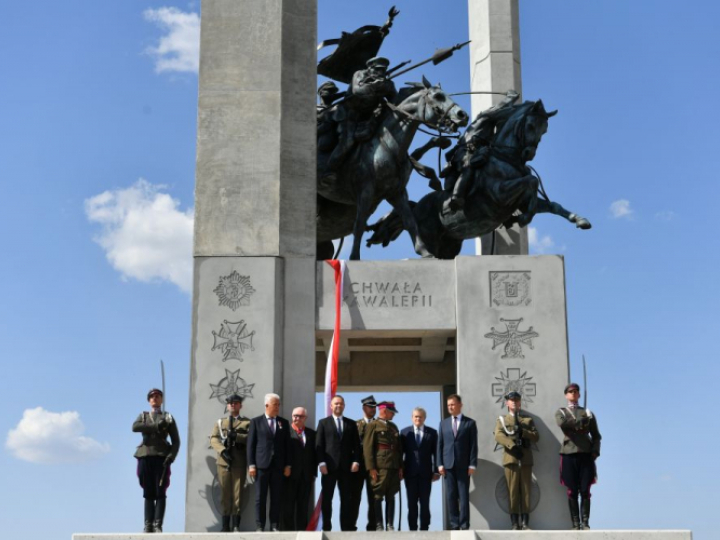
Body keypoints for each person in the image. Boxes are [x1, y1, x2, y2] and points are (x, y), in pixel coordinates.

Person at [321, 57, 397, 185]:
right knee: (348, 141)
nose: (380, 73)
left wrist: (386, 89)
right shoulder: (360, 74)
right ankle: (329, 172)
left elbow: (394, 100)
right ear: (370, 68)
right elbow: (358, 91)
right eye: (378, 69)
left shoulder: (387, 83)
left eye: (383, 70)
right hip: (349, 115)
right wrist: (374, 86)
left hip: (368, 117)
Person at [441, 90, 520, 211]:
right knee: (469, 166)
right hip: (465, 152)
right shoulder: (485, 116)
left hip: (478, 150)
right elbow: (499, 108)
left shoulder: (490, 124)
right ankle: (457, 197)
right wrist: (510, 99)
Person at [132, 388, 180, 533]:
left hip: (161, 456)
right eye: (152, 397)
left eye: (158, 396)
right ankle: (148, 524)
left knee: (160, 491)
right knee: (148, 491)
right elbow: (135, 427)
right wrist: (156, 426)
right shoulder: (143, 416)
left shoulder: (168, 417)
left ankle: (157, 524)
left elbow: (176, 441)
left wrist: (171, 457)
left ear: (162, 399)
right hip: (145, 455)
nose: (155, 399)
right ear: (149, 400)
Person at [555, 383, 601, 530]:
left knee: (585, 490)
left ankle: (585, 522)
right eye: (570, 391)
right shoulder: (561, 411)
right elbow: (562, 424)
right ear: (566, 395)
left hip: (585, 454)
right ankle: (575, 523)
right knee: (571, 490)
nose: (573, 393)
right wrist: (578, 422)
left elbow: (596, 436)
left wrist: (594, 452)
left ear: (579, 395)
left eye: (576, 391)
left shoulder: (588, 413)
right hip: (569, 453)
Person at [494, 391, 539, 530]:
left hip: (525, 458)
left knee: (526, 491)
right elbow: (498, 435)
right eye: (511, 400)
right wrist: (512, 446)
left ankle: (525, 522)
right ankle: (514, 522)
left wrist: (524, 432)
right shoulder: (502, 420)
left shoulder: (527, 420)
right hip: (511, 458)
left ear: (520, 402)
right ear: (507, 403)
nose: (514, 402)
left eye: (517, 400)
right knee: (512, 491)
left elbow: (536, 436)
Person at [315, 394, 361, 531]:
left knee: (346, 499)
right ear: (331, 406)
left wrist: (356, 461)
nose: (338, 406)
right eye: (336, 403)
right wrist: (321, 463)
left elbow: (357, 446)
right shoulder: (323, 423)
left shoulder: (351, 424)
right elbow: (319, 445)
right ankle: (327, 526)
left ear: (344, 406)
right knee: (327, 499)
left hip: (347, 468)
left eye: (341, 404)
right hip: (328, 468)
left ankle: (345, 527)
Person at [247, 393, 291, 532]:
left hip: (278, 466)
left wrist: (288, 464)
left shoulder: (283, 423)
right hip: (261, 466)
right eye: (275, 404)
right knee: (260, 497)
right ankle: (260, 525)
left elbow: (287, 446)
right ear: (267, 405)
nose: (277, 407)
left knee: (276, 497)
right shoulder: (256, 422)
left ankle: (274, 525)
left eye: (278, 404)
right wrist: (251, 465)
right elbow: (251, 445)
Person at [210, 394, 251, 532]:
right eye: (230, 403)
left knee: (238, 494)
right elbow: (214, 439)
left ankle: (236, 525)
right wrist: (222, 451)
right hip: (224, 462)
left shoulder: (247, 423)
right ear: (227, 405)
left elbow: (251, 438)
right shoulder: (220, 423)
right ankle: (225, 525)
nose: (233, 405)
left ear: (240, 405)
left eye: (236, 403)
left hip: (239, 461)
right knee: (225, 494)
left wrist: (237, 436)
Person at [437, 394, 478, 530]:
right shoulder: (443, 424)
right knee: (451, 496)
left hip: (464, 466)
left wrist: (472, 464)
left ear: (460, 405)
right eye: (448, 405)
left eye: (453, 404)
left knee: (463, 495)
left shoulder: (470, 423)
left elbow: (473, 445)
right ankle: (454, 524)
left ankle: (464, 524)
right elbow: (440, 445)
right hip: (448, 465)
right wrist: (439, 464)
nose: (450, 407)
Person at [364, 401, 403, 531]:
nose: (393, 415)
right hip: (379, 466)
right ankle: (379, 524)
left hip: (393, 465)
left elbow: (398, 448)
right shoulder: (373, 425)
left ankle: (390, 524)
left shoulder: (394, 426)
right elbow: (368, 448)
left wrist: (400, 466)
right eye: (392, 412)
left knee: (391, 495)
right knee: (378, 495)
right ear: (384, 411)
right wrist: (371, 468)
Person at [401, 407, 439, 531]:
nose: (418, 418)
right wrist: (400, 469)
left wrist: (436, 471)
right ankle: (412, 528)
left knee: (425, 503)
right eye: (416, 416)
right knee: (411, 503)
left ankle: (424, 528)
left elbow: (436, 453)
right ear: (412, 418)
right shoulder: (405, 432)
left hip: (426, 474)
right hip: (410, 473)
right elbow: (400, 453)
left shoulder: (432, 433)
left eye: (420, 416)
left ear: (424, 418)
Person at [283, 406, 317, 531]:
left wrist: (313, 473)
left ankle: (302, 531)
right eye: (294, 416)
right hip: (290, 475)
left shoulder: (312, 434)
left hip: (306, 476)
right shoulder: (286, 432)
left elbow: (314, 455)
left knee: (303, 506)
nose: (297, 418)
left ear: (305, 418)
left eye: (300, 416)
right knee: (288, 505)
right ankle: (288, 531)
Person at [352, 395, 378, 530]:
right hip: (358, 466)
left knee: (373, 498)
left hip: (374, 467)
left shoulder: (379, 424)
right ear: (364, 408)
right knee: (355, 497)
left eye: (374, 407)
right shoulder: (356, 425)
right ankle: (351, 526)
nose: (373, 409)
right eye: (370, 407)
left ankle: (372, 526)